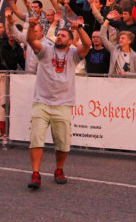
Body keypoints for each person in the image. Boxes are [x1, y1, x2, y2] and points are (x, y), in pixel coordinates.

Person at [25, 15, 91, 189]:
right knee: (36, 139)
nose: (59, 37)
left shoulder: (74, 54)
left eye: (63, 36)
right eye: (58, 35)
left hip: (63, 104)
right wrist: (31, 26)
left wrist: (79, 28)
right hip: (42, 102)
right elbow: (31, 40)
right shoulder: (46, 49)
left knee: (62, 142)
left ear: (69, 41)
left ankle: (59, 169)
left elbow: (87, 45)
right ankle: (35, 173)